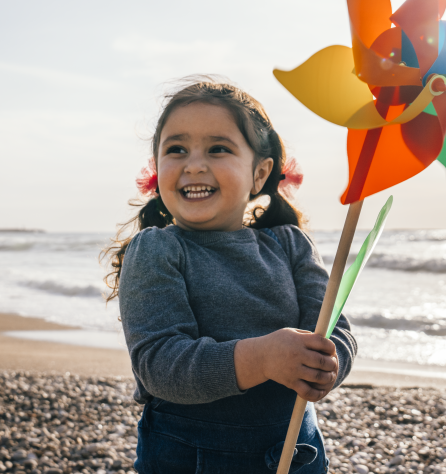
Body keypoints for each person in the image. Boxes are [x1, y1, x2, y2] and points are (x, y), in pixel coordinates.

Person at [103, 77, 355, 474]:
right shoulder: (156, 249)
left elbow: (333, 327)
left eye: (218, 149)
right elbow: (159, 365)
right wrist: (265, 358)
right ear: (157, 170)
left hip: (293, 448)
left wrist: (329, 363)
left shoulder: (291, 245)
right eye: (177, 149)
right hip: (190, 456)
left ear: (260, 174)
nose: (195, 164)